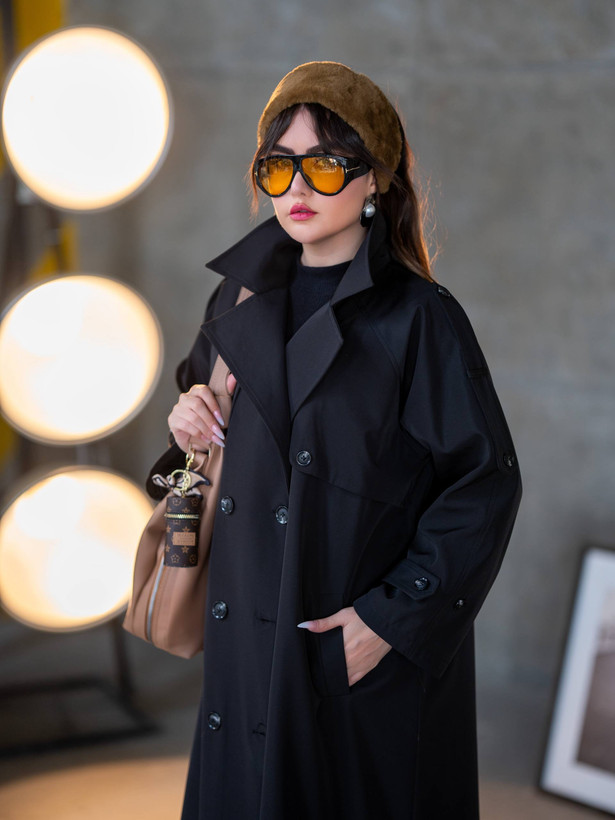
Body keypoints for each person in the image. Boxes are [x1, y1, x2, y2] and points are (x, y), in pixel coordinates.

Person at [148, 61, 522, 820]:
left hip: (349, 642)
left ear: (374, 179)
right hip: (245, 645)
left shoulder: (418, 317)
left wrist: (389, 622)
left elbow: (484, 482)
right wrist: (184, 416)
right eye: (277, 166)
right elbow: (201, 445)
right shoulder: (237, 295)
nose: (297, 189)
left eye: (323, 166)